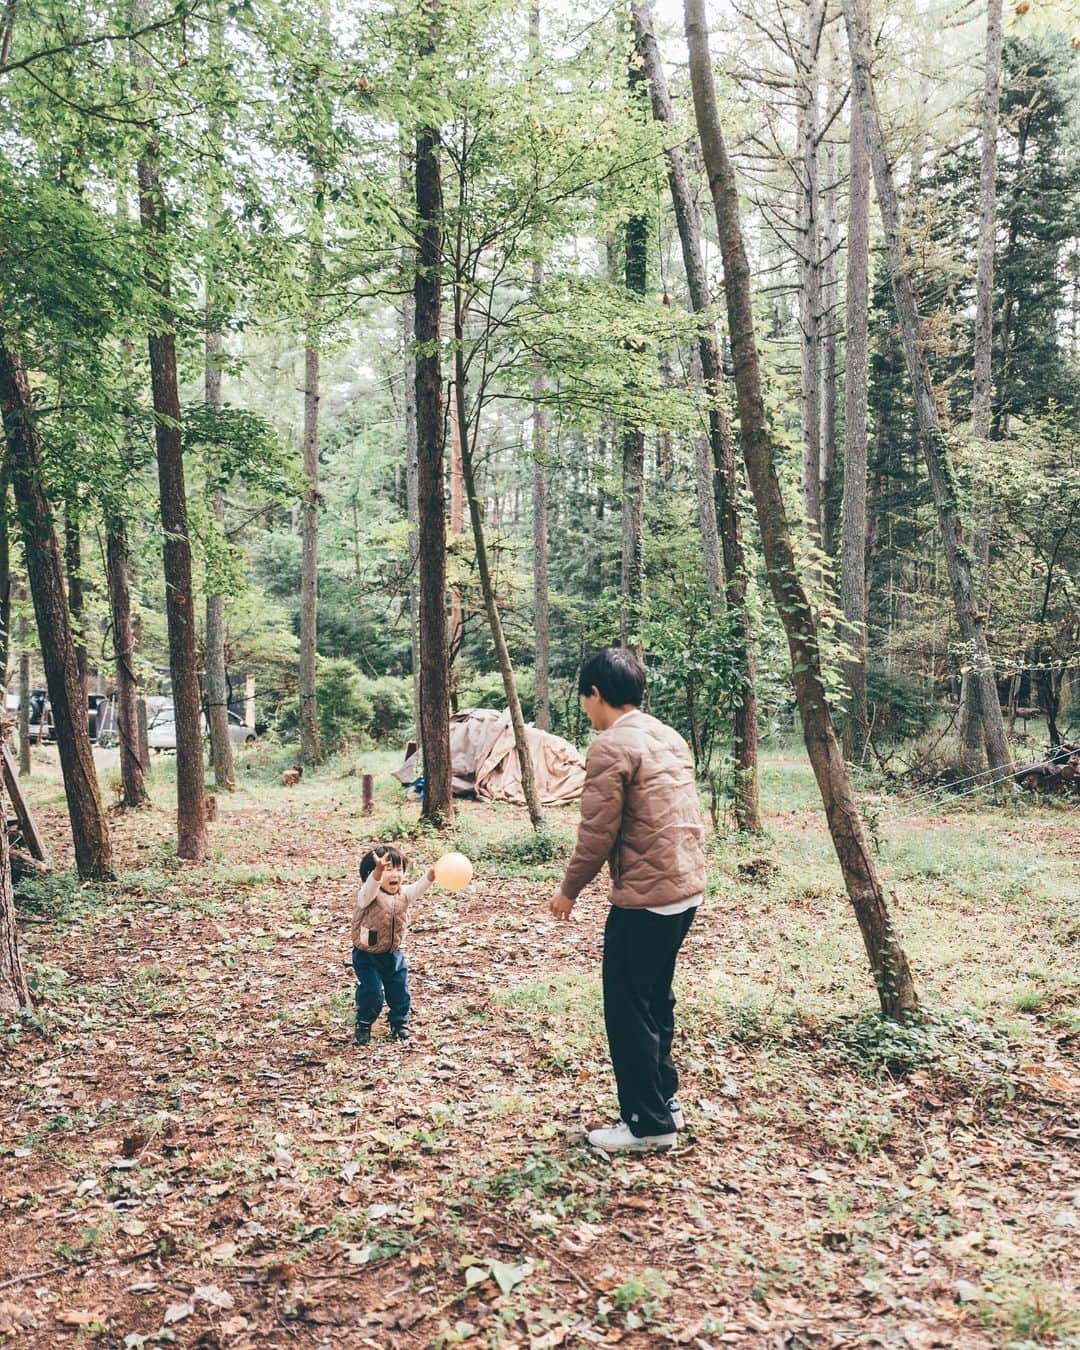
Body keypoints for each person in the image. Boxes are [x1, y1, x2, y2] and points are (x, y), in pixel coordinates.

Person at [549, 646, 706, 1153]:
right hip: (686, 889)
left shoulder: (610, 746)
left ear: (596, 694)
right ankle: (664, 1101)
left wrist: (567, 890)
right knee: (655, 997)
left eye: (584, 699)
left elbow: (597, 833)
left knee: (628, 1007)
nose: (586, 709)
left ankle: (646, 1123)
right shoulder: (668, 735)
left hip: (645, 898)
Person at [352, 845, 435, 1045]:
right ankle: (364, 1023)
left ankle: (399, 1023)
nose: (395, 874)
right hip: (367, 956)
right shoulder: (367, 896)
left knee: (399, 990)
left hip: (392, 954)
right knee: (372, 992)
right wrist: (378, 872)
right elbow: (371, 886)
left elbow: (418, 887)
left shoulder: (404, 894)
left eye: (399, 869)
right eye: (388, 869)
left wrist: (431, 876)